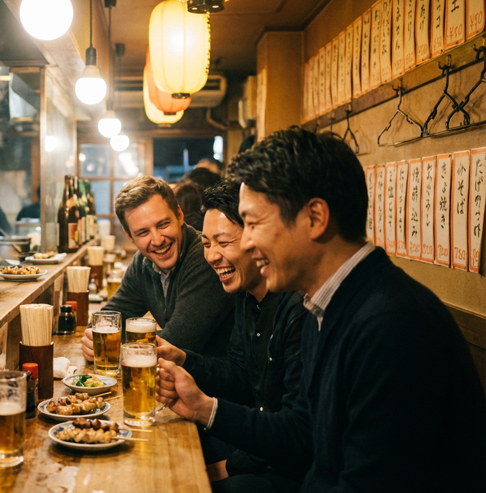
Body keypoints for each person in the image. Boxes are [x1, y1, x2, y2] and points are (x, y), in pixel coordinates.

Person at [158, 128, 486, 492]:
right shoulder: (325, 304)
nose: (247, 242)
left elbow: (371, 482)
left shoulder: (392, 324)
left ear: (315, 217)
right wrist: (203, 408)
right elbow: (303, 431)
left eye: (253, 224)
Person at [157, 181, 308, 492]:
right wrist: (185, 359)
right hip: (261, 443)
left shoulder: (298, 307)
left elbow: (296, 432)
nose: (212, 256)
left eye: (223, 242)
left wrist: (225, 466)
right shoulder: (245, 295)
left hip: (292, 468)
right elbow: (240, 374)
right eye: (206, 243)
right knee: (167, 449)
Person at [81, 176, 235, 360]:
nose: (157, 240)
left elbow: (175, 344)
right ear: (130, 236)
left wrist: (110, 344)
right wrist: (93, 337)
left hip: (215, 385)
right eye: (143, 232)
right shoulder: (142, 263)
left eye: (163, 224)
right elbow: (108, 319)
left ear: (179, 215)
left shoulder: (205, 257)